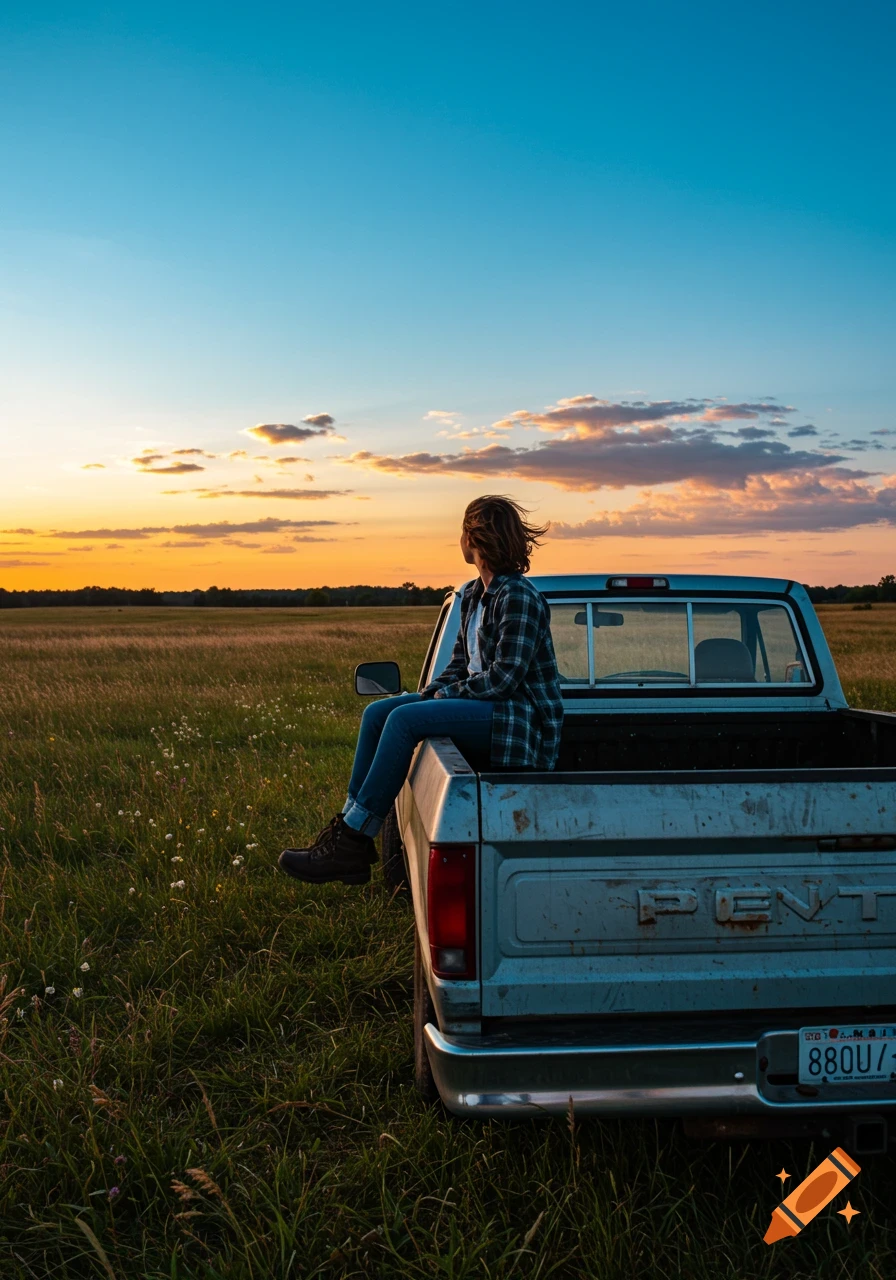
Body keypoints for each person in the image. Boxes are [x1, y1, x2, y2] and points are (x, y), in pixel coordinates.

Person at [278, 494, 564, 885]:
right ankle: (350, 835)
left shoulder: (518, 595)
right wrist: (433, 691)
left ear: (474, 538)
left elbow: (504, 679)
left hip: (516, 719)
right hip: (486, 706)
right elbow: (460, 664)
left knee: (402, 721)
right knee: (378, 712)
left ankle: (354, 837)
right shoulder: (473, 596)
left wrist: (444, 698)